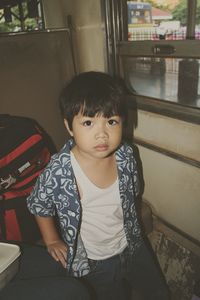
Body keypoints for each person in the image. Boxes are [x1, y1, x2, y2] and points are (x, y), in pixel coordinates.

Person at [26, 71, 170, 300]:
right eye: (88, 122)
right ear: (69, 126)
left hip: (132, 243)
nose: (102, 134)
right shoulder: (60, 171)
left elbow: (133, 190)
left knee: (156, 290)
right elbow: (38, 204)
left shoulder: (125, 155)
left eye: (111, 121)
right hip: (95, 261)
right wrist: (52, 239)